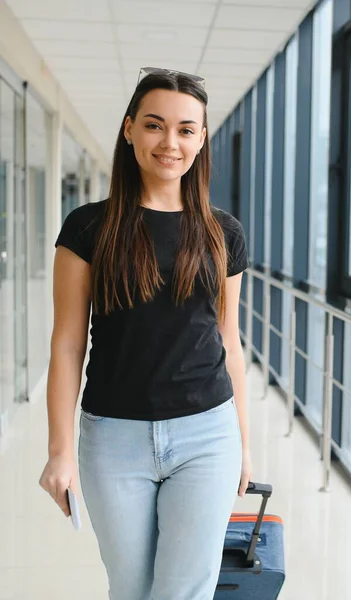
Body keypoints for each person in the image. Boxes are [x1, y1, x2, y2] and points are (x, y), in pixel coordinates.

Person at [39, 66, 252, 600]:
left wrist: (244, 445)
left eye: (186, 129)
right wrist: (59, 450)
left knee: (183, 592)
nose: (170, 142)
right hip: (114, 440)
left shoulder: (223, 233)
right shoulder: (89, 228)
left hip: (207, 435)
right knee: (132, 590)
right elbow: (67, 342)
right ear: (129, 129)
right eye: (155, 125)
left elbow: (230, 342)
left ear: (201, 140)